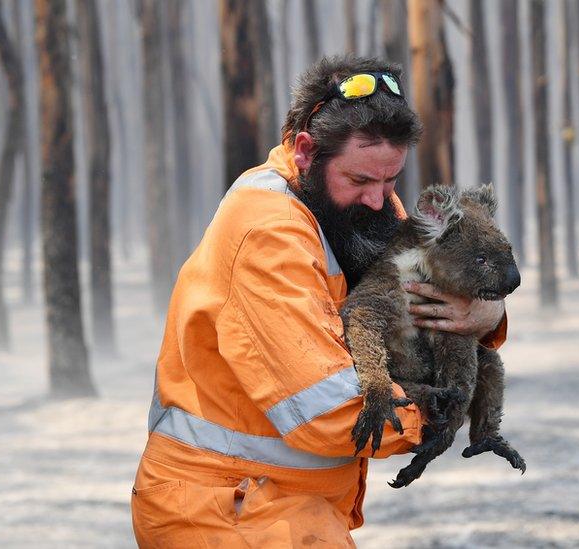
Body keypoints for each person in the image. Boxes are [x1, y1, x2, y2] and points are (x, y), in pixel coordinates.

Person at [130, 56, 508, 548]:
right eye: (361, 181)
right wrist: (440, 409)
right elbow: (327, 411)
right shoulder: (268, 233)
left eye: (391, 180)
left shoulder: (355, 208)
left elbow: (432, 292)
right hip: (223, 510)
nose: (381, 200)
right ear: (306, 151)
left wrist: (488, 314)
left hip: (280, 504)